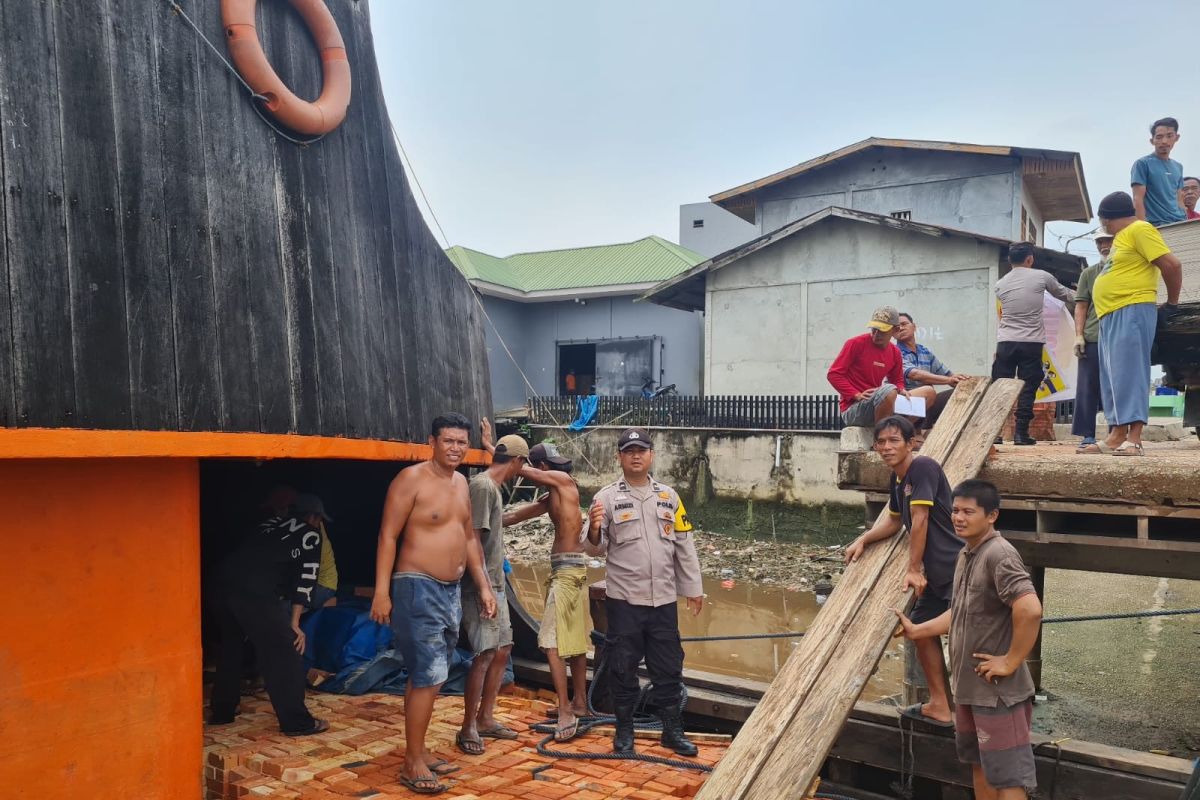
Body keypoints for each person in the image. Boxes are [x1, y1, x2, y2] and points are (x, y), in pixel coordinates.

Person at [369, 413, 498, 795]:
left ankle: (419, 749)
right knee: (430, 674)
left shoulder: (461, 483)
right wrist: (381, 591)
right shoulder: (411, 480)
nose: (456, 448)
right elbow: (387, 536)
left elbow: (470, 539)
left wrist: (485, 587)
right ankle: (412, 762)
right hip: (417, 586)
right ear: (432, 441)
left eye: (462, 442)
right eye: (449, 441)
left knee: (427, 674)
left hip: (451, 590)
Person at [894, 480, 1043, 800]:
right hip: (969, 690)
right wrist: (918, 630)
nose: (959, 518)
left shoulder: (999, 554)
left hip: (998, 694)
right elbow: (959, 613)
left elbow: (1030, 609)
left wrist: (1011, 660)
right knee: (979, 765)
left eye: (968, 512)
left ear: (992, 516)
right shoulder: (966, 553)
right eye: (956, 511)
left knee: (1008, 776)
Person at [587, 427, 703, 757]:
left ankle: (671, 731)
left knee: (668, 668)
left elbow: (684, 545)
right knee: (622, 668)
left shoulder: (670, 497)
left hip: (664, 600)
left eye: (641, 450)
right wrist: (594, 528)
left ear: (651, 455)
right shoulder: (605, 498)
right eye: (629, 450)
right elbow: (594, 549)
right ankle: (624, 731)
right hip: (625, 600)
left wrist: (693, 588)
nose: (636, 455)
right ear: (619, 457)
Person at [844, 416, 963, 726]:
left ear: (912, 443)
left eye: (894, 441)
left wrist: (912, 569)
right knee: (920, 628)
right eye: (881, 442)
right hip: (936, 575)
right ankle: (939, 703)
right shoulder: (897, 479)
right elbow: (895, 521)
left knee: (969, 632)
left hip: (954, 568)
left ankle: (977, 712)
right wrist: (863, 539)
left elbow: (919, 518)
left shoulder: (922, 467)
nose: (886, 447)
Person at [208, 494, 330, 736]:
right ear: (313, 517)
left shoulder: (269, 524)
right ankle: (297, 722)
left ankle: (222, 713)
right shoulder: (310, 535)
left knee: (231, 648)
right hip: (256, 593)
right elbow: (305, 580)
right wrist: (294, 623)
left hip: (221, 586)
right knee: (284, 655)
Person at [505, 441, 591, 742]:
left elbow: (523, 470)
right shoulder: (554, 492)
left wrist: (497, 452)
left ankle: (566, 710)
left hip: (567, 573)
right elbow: (516, 516)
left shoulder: (563, 481)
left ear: (540, 468)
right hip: (569, 571)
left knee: (551, 642)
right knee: (575, 642)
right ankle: (580, 703)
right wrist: (484, 520)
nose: (555, 469)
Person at [1092, 191, 1184, 456]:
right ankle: (1116, 435)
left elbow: (1172, 265)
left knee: (1130, 373)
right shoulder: (1122, 240)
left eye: (1103, 221)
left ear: (1108, 219)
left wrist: (1173, 303)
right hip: (1110, 312)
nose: (1104, 227)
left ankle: (1134, 439)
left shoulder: (1140, 229)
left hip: (1131, 307)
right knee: (1113, 377)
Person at [456, 431, 529, 757]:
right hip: (482, 585)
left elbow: (499, 525)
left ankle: (486, 717)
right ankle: (468, 725)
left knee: (502, 649)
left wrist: (534, 511)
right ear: (517, 461)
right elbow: (472, 539)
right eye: (522, 464)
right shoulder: (484, 487)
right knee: (485, 654)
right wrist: (484, 587)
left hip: (495, 583)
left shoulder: (491, 488)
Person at [992, 242, 1075, 445]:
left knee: (1000, 387)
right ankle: (1021, 433)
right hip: (1031, 342)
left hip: (1006, 342)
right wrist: (1086, 296)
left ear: (1009, 260)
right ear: (1030, 259)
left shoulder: (1000, 284)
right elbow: (1064, 294)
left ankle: (995, 434)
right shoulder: (1041, 276)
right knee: (1028, 387)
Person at [828, 306, 915, 427]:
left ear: (895, 330)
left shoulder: (895, 353)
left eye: (882, 330)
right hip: (853, 409)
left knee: (928, 393)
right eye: (874, 329)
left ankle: (906, 433)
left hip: (879, 403)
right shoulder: (855, 343)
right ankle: (880, 436)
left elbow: (897, 380)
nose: (876, 334)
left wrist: (901, 389)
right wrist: (855, 394)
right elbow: (834, 374)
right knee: (889, 390)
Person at [1071, 233, 1113, 454]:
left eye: (1109, 241)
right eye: (1100, 242)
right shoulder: (1089, 273)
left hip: (1117, 337)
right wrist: (1078, 335)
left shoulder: (1126, 269)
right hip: (1093, 336)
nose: (1104, 246)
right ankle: (1087, 434)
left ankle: (1117, 432)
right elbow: (1081, 306)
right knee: (1087, 387)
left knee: (1116, 387)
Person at [894, 312, 968, 431]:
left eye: (904, 324)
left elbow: (947, 375)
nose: (901, 328)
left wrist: (962, 381)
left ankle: (953, 431)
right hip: (904, 403)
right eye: (897, 327)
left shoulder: (924, 351)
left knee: (963, 391)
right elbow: (915, 374)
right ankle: (905, 430)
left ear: (914, 326)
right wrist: (949, 380)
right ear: (892, 333)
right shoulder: (895, 352)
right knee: (928, 391)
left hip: (925, 404)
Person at [1132, 117, 1186, 227]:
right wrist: (1142, 229)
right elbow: (1138, 198)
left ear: (1177, 137)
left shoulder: (1178, 167)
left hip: (1179, 223)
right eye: (1159, 137)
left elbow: (1179, 199)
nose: (1164, 141)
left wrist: (1185, 219)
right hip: (1156, 225)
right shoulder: (1142, 164)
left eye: (1169, 136)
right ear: (1152, 141)